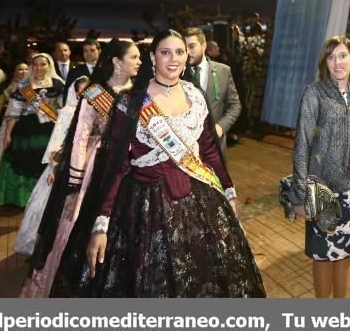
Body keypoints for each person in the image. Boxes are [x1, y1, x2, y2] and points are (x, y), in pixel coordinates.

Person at [55, 29, 264, 297]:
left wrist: (230, 192)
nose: (173, 58)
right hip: (145, 206)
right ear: (153, 57)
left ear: (187, 56)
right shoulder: (131, 102)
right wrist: (102, 223)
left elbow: (209, 151)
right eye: (165, 52)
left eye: (179, 52)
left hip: (198, 198)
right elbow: (116, 166)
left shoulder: (195, 96)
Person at [20, 40, 141, 297]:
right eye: (134, 57)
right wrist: (75, 180)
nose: (140, 62)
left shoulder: (141, 92)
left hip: (134, 166)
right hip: (98, 166)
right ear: (117, 61)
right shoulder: (96, 93)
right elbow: (79, 138)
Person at [290, 35, 350, 298]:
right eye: (331, 57)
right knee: (322, 255)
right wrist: (299, 194)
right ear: (325, 62)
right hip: (321, 188)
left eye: (343, 56)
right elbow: (302, 145)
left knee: (345, 253)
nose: (337, 62)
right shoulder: (315, 93)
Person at [13, 75, 89, 256]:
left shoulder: (95, 112)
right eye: (81, 93)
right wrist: (55, 168)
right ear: (75, 93)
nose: (85, 97)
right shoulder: (67, 113)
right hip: (65, 166)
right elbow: (57, 142)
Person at [0, 53, 64, 208]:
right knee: (22, 162)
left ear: (49, 66)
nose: (39, 68)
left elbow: (64, 107)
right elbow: (13, 111)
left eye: (43, 64)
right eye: (35, 64)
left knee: (48, 161)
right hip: (25, 129)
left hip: (49, 129)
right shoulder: (24, 85)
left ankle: (45, 199)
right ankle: (23, 198)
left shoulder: (58, 84)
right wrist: (7, 134)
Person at [184, 27, 241, 158]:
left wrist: (221, 127)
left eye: (192, 46)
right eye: (184, 48)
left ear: (203, 45)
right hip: (186, 150)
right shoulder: (178, 74)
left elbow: (235, 105)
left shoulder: (223, 71)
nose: (188, 52)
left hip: (215, 147)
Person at [0, 62, 30, 188]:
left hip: (26, 123)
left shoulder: (33, 84)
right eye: (20, 69)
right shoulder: (7, 86)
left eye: (25, 69)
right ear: (14, 72)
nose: (23, 72)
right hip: (10, 122)